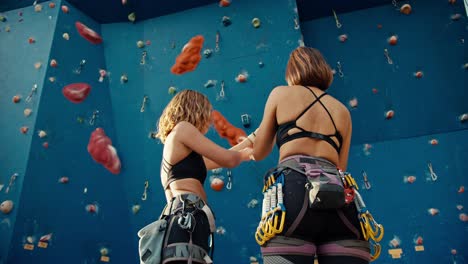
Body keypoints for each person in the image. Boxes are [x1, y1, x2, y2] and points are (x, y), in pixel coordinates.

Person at [236, 47, 371, 264]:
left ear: (292, 72)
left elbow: (260, 151)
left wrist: (245, 146)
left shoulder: (280, 94)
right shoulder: (342, 111)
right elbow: (341, 166)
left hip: (293, 193)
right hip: (338, 195)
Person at [151, 89, 252, 264]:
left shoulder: (179, 149)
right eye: (207, 114)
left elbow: (220, 158)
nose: (209, 121)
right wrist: (247, 154)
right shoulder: (183, 128)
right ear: (196, 110)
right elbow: (229, 160)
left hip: (185, 221)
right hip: (187, 219)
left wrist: (251, 140)